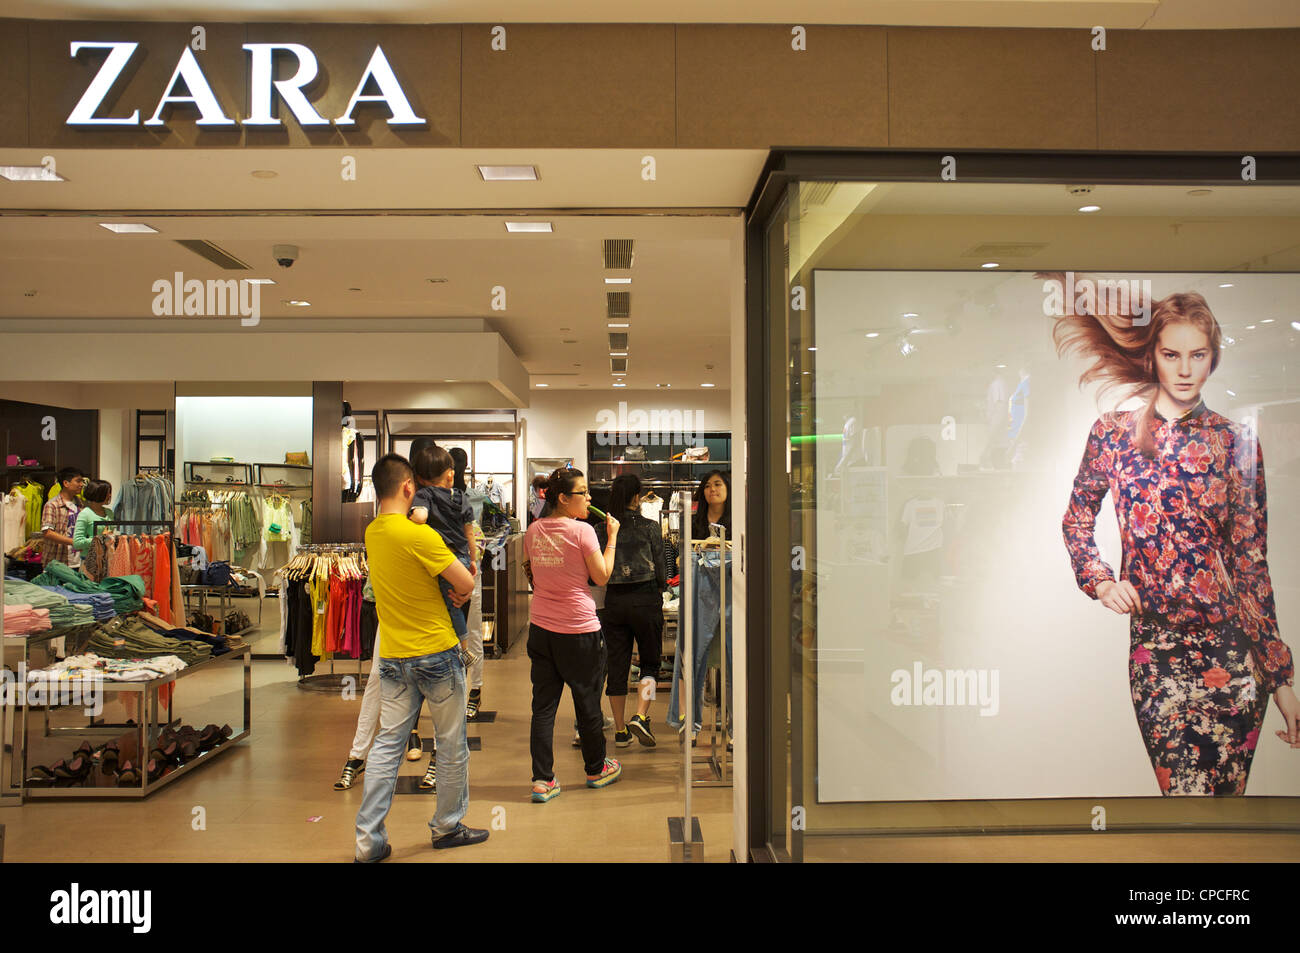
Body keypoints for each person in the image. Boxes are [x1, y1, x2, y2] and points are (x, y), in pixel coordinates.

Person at [1054, 276, 1298, 796]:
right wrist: (1099, 581)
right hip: (1157, 651)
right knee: (1183, 800)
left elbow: (1251, 564)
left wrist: (1279, 677)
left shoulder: (1235, 442)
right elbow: (1077, 519)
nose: (1186, 370)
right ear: (1153, 357)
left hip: (1233, 656)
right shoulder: (1112, 434)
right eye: (1172, 354)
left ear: (1213, 358)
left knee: (1224, 811)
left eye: (1199, 355)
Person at [354, 453, 486, 861]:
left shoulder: (373, 532)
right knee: (450, 744)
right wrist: (465, 585)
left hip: (393, 656)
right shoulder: (421, 535)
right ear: (409, 488)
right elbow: (465, 580)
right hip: (436, 653)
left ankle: (368, 842)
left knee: (387, 746)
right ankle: (447, 827)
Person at [524, 467, 622, 802]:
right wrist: (612, 538)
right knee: (587, 701)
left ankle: (542, 780)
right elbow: (602, 576)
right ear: (564, 499)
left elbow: (535, 576)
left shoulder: (533, 530)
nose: (589, 498)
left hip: (541, 629)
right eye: (583, 493)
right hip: (579, 630)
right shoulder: (583, 532)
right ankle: (596, 768)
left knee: (544, 707)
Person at [595, 473, 666, 749]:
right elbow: (661, 570)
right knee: (649, 662)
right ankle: (641, 714)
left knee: (617, 666)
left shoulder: (604, 529)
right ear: (637, 497)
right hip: (646, 600)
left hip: (614, 602)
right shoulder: (650, 527)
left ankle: (621, 729)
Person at [446, 445, 486, 720]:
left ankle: (463, 692)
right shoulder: (471, 497)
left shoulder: (469, 497)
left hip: (449, 568)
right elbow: (481, 535)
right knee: (471, 631)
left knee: (459, 631)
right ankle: (473, 692)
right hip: (469, 568)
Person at [39, 467, 85, 568]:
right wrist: (74, 542)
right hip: (57, 561)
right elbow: (48, 533)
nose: (81, 484)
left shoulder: (80, 504)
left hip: (78, 562)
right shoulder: (52, 505)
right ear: (66, 483)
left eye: (82, 481)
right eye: (78, 481)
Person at [72, 479, 113, 557]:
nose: (110, 495)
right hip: (90, 560)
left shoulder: (109, 513)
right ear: (99, 494)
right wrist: (100, 539)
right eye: (107, 493)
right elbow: (77, 543)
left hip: (108, 559)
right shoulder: (85, 514)